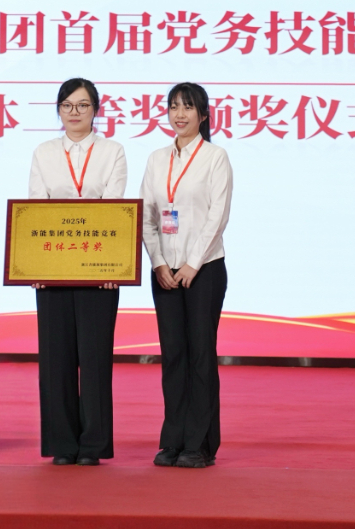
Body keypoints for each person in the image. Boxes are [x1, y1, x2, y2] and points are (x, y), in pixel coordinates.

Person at [28, 77, 127, 466]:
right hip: (53, 267)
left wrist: (115, 265)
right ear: (58, 110)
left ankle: (93, 445)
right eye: (67, 105)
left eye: (83, 105)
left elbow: (114, 207)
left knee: (95, 358)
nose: (74, 112)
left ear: (95, 110)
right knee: (56, 360)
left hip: (99, 269)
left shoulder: (112, 151)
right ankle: (63, 444)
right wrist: (35, 266)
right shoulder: (44, 152)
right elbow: (35, 208)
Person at [139, 82, 232, 469]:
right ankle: (172, 440)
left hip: (204, 270)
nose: (179, 114)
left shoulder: (215, 157)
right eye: (174, 106)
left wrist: (192, 263)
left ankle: (200, 444)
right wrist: (159, 263)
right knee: (174, 356)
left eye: (188, 107)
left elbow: (217, 216)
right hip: (165, 272)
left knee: (200, 357)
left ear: (203, 115)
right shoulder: (157, 158)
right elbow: (146, 215)